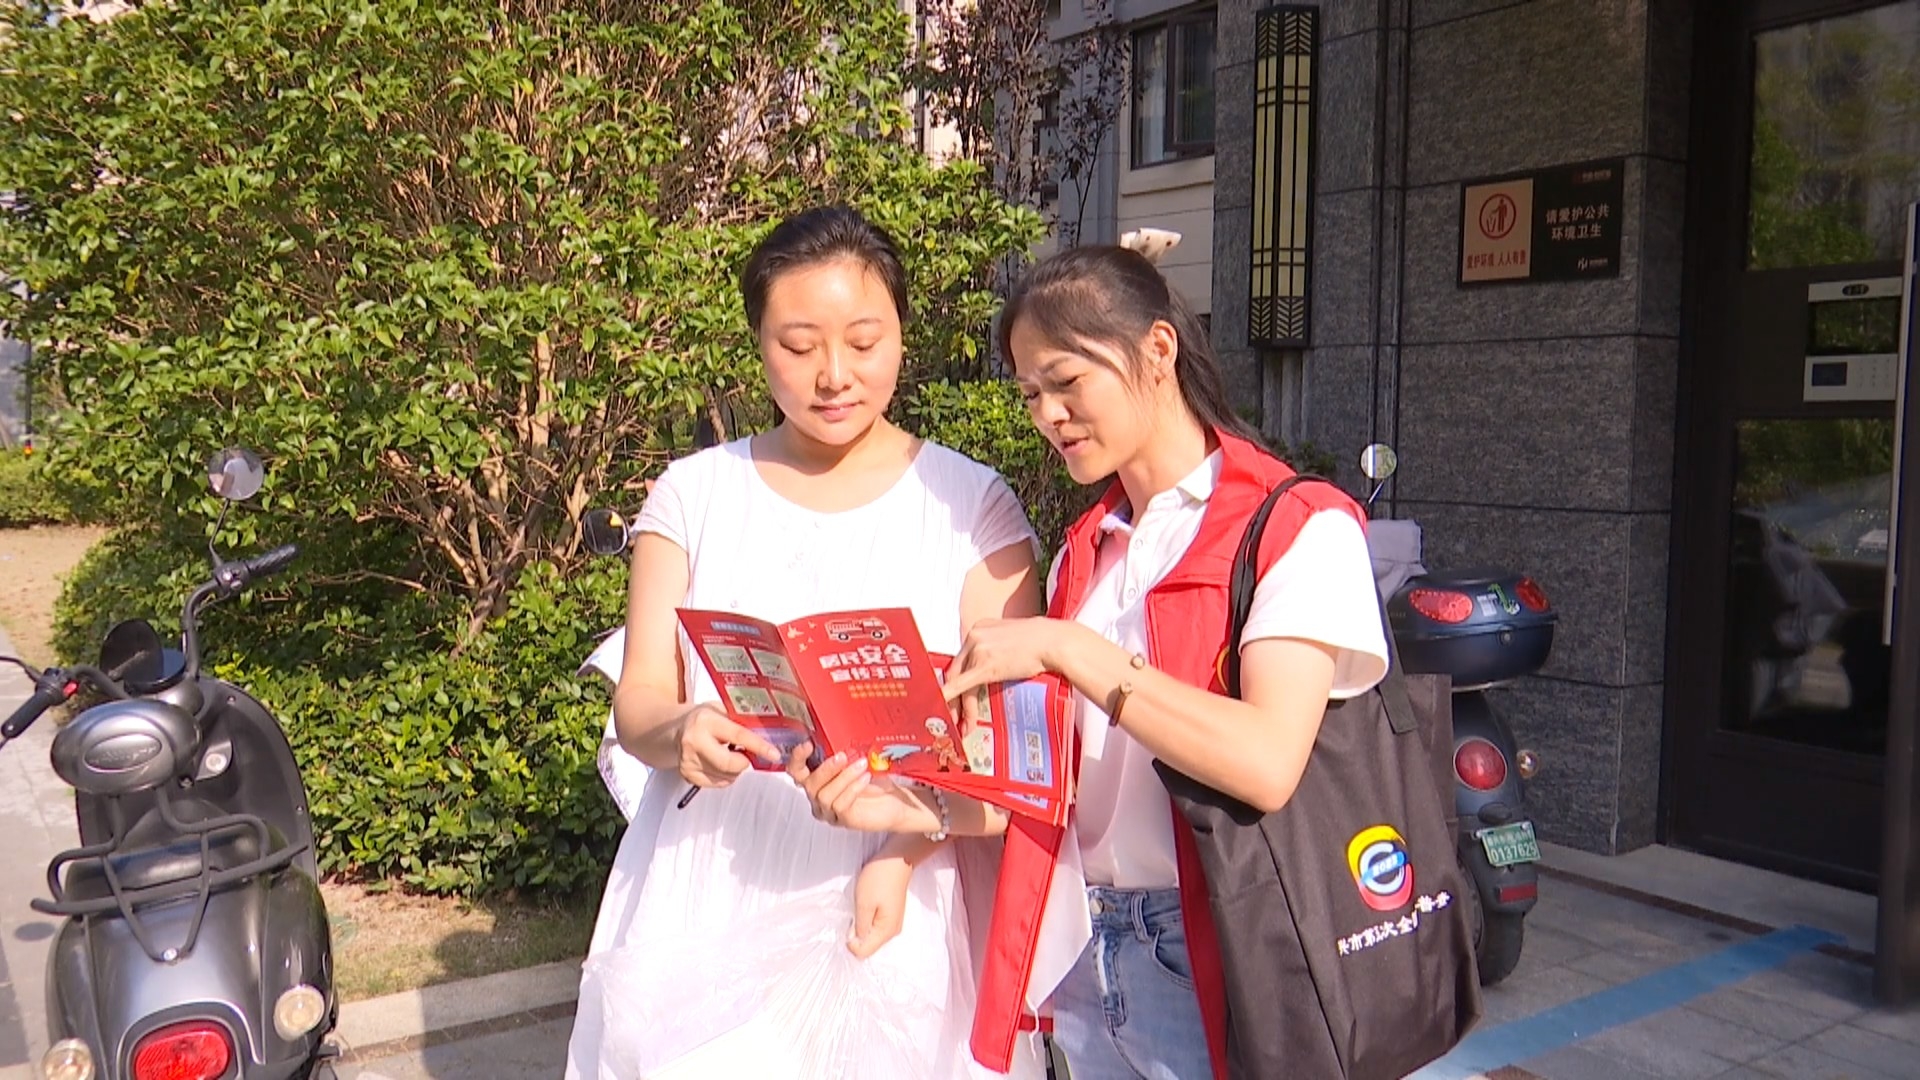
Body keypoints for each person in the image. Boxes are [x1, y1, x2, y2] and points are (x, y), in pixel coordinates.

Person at [793, 244, 1389, 1080]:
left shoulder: (1295, 526)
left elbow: (1265, 762)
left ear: (1158, 349)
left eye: (1067, 381)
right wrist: (900, 813)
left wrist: (1068, 647)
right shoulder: (1090, 548)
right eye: (1030, 393)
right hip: (1087, 942)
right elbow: (1051, 790)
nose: (1049, 415)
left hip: (1218, 943)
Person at [562, 205, 1049, 1080]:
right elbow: (639, 702)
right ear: (758, 341)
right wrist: (680, 733)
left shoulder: (971, 505)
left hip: (894, 890)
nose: (834, 376)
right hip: (712, 882)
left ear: (902, 332)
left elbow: (1011, 763)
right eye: (798, 345)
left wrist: (904, 849)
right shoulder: (693, 496)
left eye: (864, 342)